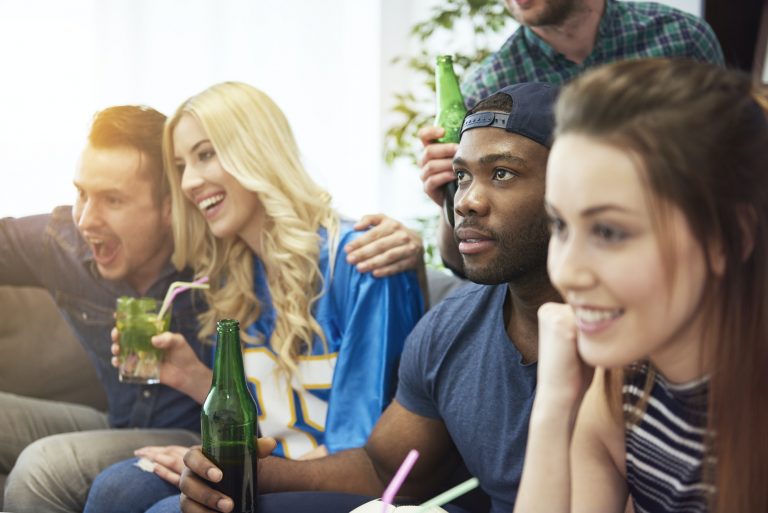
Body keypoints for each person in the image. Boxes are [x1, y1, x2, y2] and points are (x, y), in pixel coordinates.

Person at [0, 105, 425, 513]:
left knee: (68, 475)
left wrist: (416, 253)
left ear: (168, 207)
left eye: (113, 199)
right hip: (157, 427)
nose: (86, 220)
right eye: (182, 166)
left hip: (262, 454)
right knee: (121, 488)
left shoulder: (226, 254)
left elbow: (371, 453)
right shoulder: (232, 267)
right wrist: (194, 378)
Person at [175, 82, 562, 513]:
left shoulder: (617, 340)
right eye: (462, 177)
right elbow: (382, 469)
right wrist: (243, 473)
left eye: (502, 173)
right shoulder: (450, 329)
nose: (466, 202)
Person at [514, 59, 768, 513]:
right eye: (560, 225)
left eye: (609, 231)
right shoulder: (629, 379)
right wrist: (553, 406)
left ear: (729, 236)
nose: (565, 273)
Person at [419, 0, 725, 275]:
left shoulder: (681, 38)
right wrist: (449, 196)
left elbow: (731, 166)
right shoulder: (490, 88)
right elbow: (462, 265)